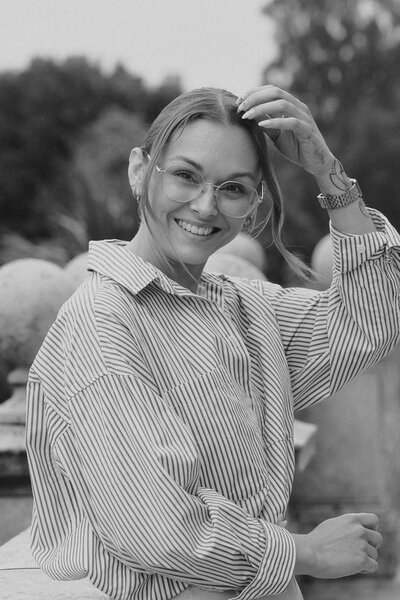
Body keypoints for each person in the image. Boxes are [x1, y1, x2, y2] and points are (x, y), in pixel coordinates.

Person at [26, 85, 400, 600]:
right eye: (185, 175)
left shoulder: (241, 307)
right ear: (140, 170)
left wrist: (327, 173)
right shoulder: (102, 323)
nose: (206, 206)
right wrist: (306, 552)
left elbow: (370, 320)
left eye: (233, 188)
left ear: (254, 203)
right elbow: (156, 527)